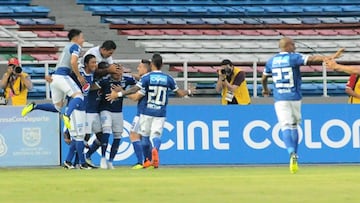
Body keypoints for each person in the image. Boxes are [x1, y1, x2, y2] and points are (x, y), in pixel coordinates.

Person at [261, 37, 344, 174]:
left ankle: (291, 153)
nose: (295, 47)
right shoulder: (293, 58)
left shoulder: (271, 61)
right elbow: (311, 59)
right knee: (294, 126)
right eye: (293, 45)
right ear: (287, 46)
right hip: (295, 97)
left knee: (285, 126)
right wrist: (330, 57)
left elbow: (264, 77)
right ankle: (295, 155)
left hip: (280, 98)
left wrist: (265, 89)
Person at [106, 53, 194, 168]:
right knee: (155, 136)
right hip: (160, 112)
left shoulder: (146, 79)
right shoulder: (168, 78)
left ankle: (145, 160)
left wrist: (119, 93)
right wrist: (189, 91)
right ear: (162, 65)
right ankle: (155, 151)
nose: (138, 68)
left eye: (140, 66)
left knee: (143, 136)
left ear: (151, 64)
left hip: (145, 111)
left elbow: (135, 91)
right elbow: (180, 93)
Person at [97, 64, 137, 169]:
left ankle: (111, 161)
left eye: (118, 72)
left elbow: (138, 85)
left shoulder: (127, 79)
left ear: (122, 71)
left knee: (118, 135)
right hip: (105, 109)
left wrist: (123, 92)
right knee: (106, 131)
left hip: (118, 111)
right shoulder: (105, 80)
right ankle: (103, 158)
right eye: (114, 73)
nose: (116, 75)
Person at [63, 54, 97, 169]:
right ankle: (82, 163)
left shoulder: (91, 75)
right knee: (79, 136)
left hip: (83, 108)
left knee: (78, 137)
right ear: (86, 63)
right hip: (75, 107)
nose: (94, 64)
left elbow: (88, 87)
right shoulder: (78, 73)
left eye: (95, 62)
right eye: (92, 62)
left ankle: (68, 161)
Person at [48, 29, 86, 130]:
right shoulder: (75, 46)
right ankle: (67, 115)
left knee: (57, 108)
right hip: (62, 76)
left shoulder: (66, 46)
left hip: (54, 77)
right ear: (76, 38)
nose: (83, 40)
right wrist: (79, 76)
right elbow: (73, 62)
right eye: (82, 38)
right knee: (79, 96)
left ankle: (34, 106)